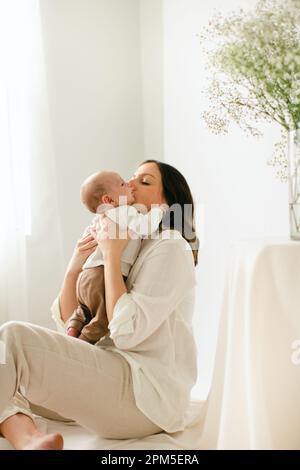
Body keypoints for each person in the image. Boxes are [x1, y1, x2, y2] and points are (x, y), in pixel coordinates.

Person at [0, 160, 199, 450]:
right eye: (130, 179)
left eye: (144, 182)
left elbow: (126, 334)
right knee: (10, 373)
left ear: (167, 203)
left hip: (144, 395)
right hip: (107, 374)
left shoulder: (170, 246)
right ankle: (29, 440)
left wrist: (112, 256)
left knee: (12, 338)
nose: (130, 185)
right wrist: (74, 267)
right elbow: (69, 321)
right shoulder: (122, 239)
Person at [66, 170, 166, 343]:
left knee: (85, 310)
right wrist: (159, 210)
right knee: (102, 320)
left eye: (145, 181)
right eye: (123, 184)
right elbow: (144, 226)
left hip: (86, 276)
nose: (129, 184)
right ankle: (80, 345)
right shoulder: (124, 211)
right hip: (101, 277)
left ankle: (74, 327)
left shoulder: (103, 216)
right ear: (109, 200)